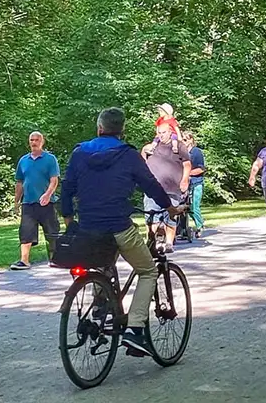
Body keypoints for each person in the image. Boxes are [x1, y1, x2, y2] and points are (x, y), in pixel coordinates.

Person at [59, 107, 181, 358]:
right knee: (148, 271)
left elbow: (68, 186)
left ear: (99, 128)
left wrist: (69, 217)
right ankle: (135, 329)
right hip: (118, 226)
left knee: (100, 265)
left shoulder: (80, 153)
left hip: (89, 227)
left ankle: (100, 309)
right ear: (122, 130)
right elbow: (150, 184)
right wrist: (170, 206)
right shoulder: (128, 155)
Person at [10, 131, 60, 271]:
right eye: (31, 140)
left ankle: (55, 259)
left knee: (52, 232)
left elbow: (54, 180)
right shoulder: (23, 161)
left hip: (47, 202)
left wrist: (47, 194)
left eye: (37, 139)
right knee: (26, 232)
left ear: (42, 141)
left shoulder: (50, 159)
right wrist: (16, 201)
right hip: (28, 203)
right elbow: (19, 182)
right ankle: (24, 261)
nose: (34, 142)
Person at [141, 121, 191, 252]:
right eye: (159, 133)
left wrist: (185, 180)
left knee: (171, 216)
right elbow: (142, 161)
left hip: (173, 187)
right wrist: (143, 152)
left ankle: (169, 243)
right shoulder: (152, 146)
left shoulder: (179, 146)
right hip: (153, 188)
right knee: (151, 216)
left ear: (170, 132)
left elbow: (187, 164)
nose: (161, 135)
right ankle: (151, 241)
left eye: (164, 132)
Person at [184, 132, 206, 238]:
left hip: (196, 183)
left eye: (185, 140)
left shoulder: (196, 152)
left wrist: (188, 173)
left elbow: (201, 169)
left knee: (194, 206)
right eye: (182, 140)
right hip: (185, 184)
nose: (183, 142)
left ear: (190, 140)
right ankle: (183, 229)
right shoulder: (182, 153)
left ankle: (199, 226)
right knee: (184, 208)